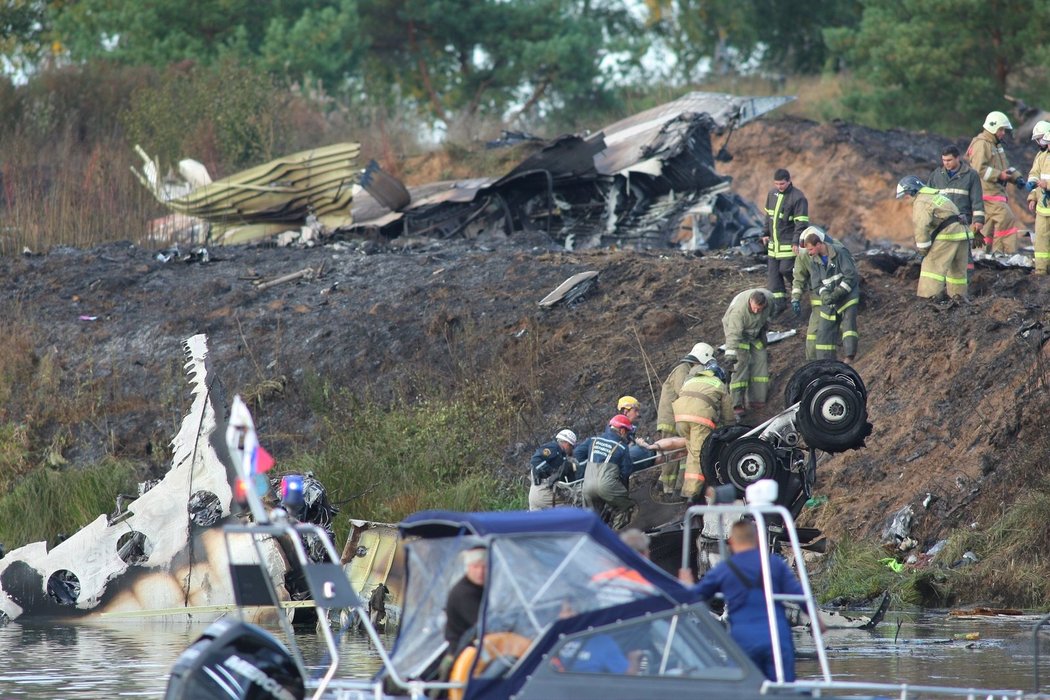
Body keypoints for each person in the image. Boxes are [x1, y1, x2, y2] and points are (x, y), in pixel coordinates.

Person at [685, 520, 803, 682]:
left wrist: (686, 584)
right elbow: (799, 594)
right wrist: (817, 621)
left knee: (741, 687)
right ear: (756, 539)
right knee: (783, 688)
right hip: (776, 635)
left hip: (743, 639)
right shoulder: (775, 564)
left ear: (731, 541)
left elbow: (695, 596)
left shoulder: (724, 568)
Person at [896, 175, 971, 300]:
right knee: (957, 271)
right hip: (962, 233)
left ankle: (927, 301)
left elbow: (921, 227)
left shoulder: (921, 201)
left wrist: (923, 250)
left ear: (912, 191)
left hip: (948, 235)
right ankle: (959, 299)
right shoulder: (935, 195)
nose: (905, 200)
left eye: (905, 196)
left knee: (931, 268)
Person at [670, 356, 735, 498]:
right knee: (699, 455)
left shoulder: (692, 379)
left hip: (680, 417)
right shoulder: (719, 384)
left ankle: (688, 486)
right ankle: (692, 494)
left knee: (692, 451)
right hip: (698, 418)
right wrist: (732, 428)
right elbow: (728, 411)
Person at [655, 342, 715, 494]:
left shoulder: (687, 370)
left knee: (680, 454)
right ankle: (667, 488)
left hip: (679, 417)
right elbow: (684, 392)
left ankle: (673, 485)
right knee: (670, 455)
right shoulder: (682, 370)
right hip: (670, 419)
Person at [967, 110, 1024, 254]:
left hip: (995, 193)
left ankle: (982, 256)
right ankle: (1006, 253)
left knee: (987, 227)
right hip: (987, 193)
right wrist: (999, 176)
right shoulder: (982, 144)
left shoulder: (996, 145)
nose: (1003, 133)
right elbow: (978, 169)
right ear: (993, 128)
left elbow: (1005, 167)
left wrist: (1017, 178)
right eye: (1001, 129)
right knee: (1007, 219)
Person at [800, 229, 861, 362]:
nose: (809, 253)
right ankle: (825, 363)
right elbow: (816, 284)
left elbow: (850, 276)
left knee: (848, 324)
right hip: (830, 300)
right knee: (824, 332)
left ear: (819, 245)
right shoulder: (813, 261)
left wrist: (837, 293)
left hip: (847, 296)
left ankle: (849, 357)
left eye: (810, 249)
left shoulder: (840, 252)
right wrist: (825, 295)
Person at [927, 145, 984, 284]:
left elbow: (977, 200)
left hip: (961, 223)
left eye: (949, 160)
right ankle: (942, 285)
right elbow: (928, 200)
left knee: (963, 256)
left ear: (958, 158)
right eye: (944, 160)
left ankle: (968, 283)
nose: (946, 163)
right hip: (941, 225)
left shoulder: (971, 175)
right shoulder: (936, 175)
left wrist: (978, 220)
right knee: (941, 256)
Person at [761, 169, 810, 316]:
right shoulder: (771, 194)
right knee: (773, 276)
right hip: (773, 245)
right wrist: (765, 233)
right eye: (776, 184)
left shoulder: (798, 197)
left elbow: (801, 223)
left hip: (788, 244)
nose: (779, 186)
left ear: (789, 181)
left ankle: (803, 288)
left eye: (782, 184)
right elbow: (768, 217)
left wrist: (796, 242)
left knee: (786, 269)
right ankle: (779, 306)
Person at [575, 415, 636, 529]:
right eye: (627, 432)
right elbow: (626, 471)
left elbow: (577, 454)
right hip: (607, 486)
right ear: (622, 430)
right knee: (625, 507)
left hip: (588, 486)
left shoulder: (593, 440)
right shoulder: (622, 447)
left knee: (593, 518)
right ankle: (616, 536)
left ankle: (593, 540)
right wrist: (622, 490)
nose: (627, 435)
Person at [721, 288, 775, 418]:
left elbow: (770, 315)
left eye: (760, 309)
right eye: (755, 308)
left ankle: (757, 399)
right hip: (739, 335)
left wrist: (764, 327)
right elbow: (733, 335)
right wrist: (730, 355)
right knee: (740, 367)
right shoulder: (738, 312)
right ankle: (737, 405)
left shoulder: (770, 300)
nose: (757, 311)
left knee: (760, 361)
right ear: (750, 301)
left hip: (755, 334)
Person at [790, 226, 837, 360]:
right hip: (818, 302)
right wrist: (795, 298)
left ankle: (830, 364)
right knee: (812, 336)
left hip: (836, 300)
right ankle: (812, 365)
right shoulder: (804, 255)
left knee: (828, 335)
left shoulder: (834, 249)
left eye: (811, 249)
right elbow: (799, 278)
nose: (810, 253)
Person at [444, 546, 487, 650]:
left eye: (485, 567)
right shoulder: (464, 593)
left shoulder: (483, 587)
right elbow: (484, 625)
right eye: (475, 566)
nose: (480, 572)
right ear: (467, 567)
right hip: (464, 651)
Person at [528, 429, 578, 511]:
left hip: (536, 493)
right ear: (565, 443)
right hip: (542, 491)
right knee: (571, 507)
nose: (572, 449)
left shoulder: (561, 455)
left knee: (538, 522)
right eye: (571, 446)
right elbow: (535, 460)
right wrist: (551, 472)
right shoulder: (553, 448)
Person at [1026, 120, 1050, 275]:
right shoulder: (1042, 157)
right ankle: (1041, 271)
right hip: (1043, 208)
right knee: (1041, 241)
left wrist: (1047, 185)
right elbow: (1035, 175)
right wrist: (1032, 196)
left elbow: (1044, 181)